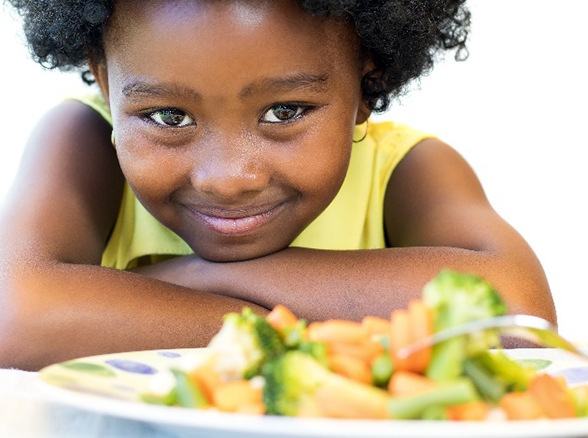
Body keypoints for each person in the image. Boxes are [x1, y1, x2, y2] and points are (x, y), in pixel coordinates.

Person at [0, 0, 555, 371]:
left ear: (369, 80)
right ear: (102, 75)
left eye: (284, 111)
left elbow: (520, 317)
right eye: (169, 117)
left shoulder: (407, 168)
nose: (227, 179)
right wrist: (323, 335)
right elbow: (14, 315)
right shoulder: (84, 139)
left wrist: (190, 279)